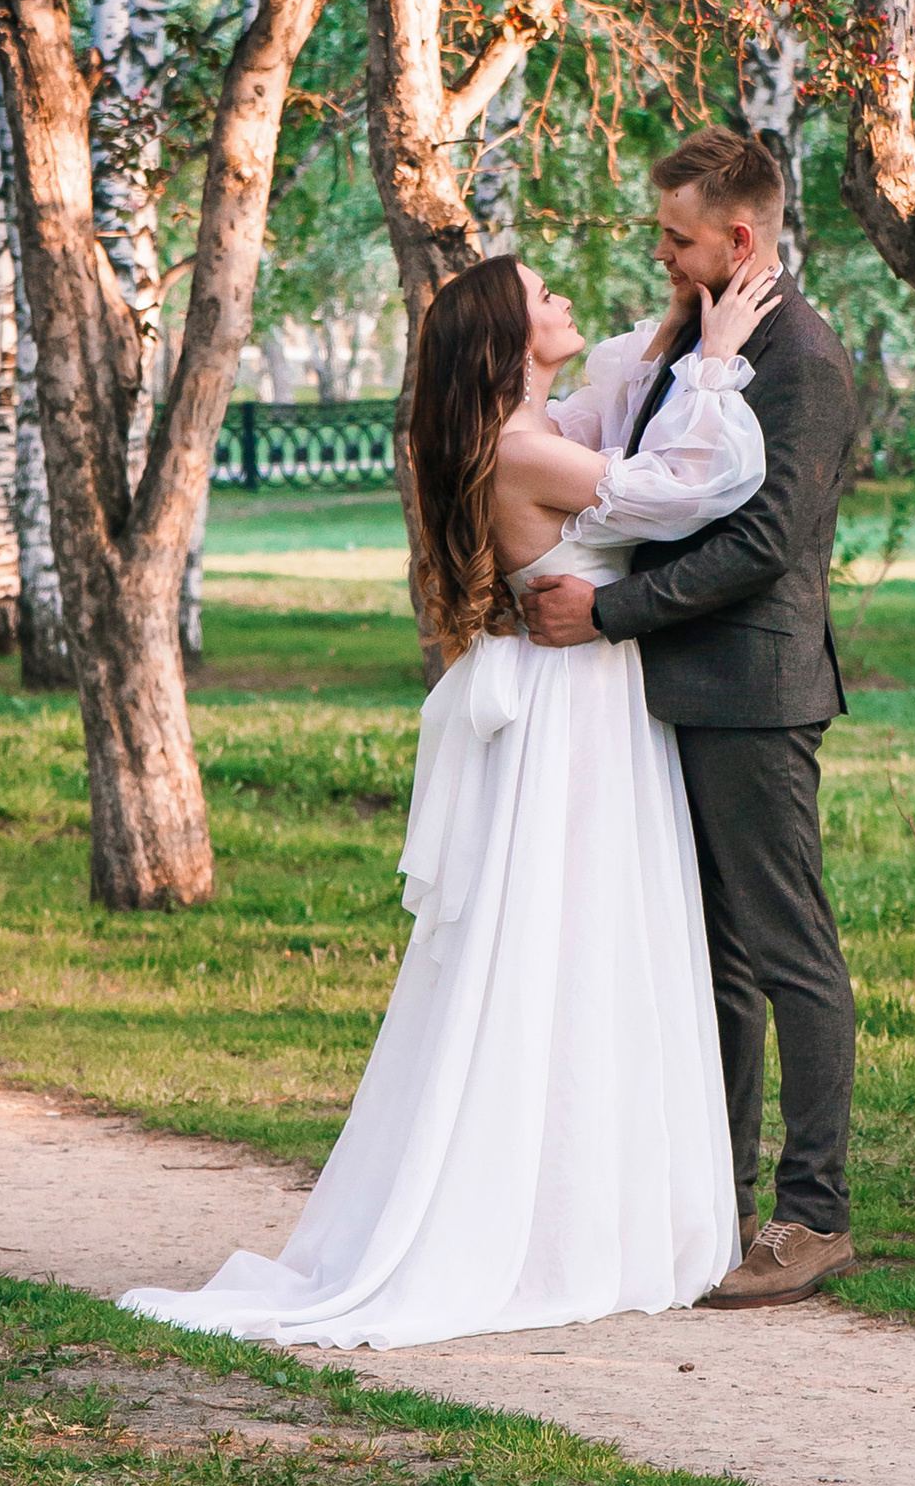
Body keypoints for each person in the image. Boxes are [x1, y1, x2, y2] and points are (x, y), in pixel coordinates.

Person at [120, 244, 781, 1348]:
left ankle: (585, 1206)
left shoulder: (526, 431)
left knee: (577, 938)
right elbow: (691, 487)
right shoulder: (523, 450)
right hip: (573, 710)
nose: (563, 299)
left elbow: (617, 407)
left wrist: (677, 333)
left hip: (576, 698)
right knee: (570, 940)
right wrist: (714, 365)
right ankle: (555, 1225)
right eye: (542, 296)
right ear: (507, 342)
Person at [520, 127, 861, 1308]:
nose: (661, 254)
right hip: (678, 687)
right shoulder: (700, 333)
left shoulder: (802, 359)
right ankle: (714, 1204)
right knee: (713, 963)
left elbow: (762, 543)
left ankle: (814, 1216)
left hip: (753, 693)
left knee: (787, 953)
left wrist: (609, 612)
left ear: (739, 237)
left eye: (676, 237)